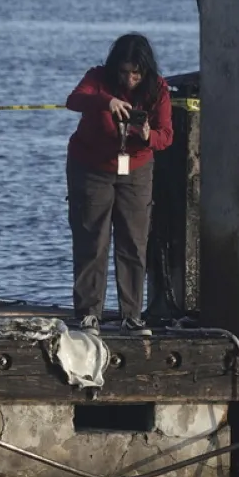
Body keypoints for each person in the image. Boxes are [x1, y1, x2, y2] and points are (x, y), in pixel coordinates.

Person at [65, 34, 174, 335]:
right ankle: (88, 313)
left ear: (146, 71)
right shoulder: (97, 77)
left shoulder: (159, 88)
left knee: (133, 242)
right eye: (124, 72)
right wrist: (106, 101)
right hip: (91, 166)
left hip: (136, 168)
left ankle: (131, 314)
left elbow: (167, 136)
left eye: (136, 73)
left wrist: (148, 134)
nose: (129, 79)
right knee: (92, 239)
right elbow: (73, 100)